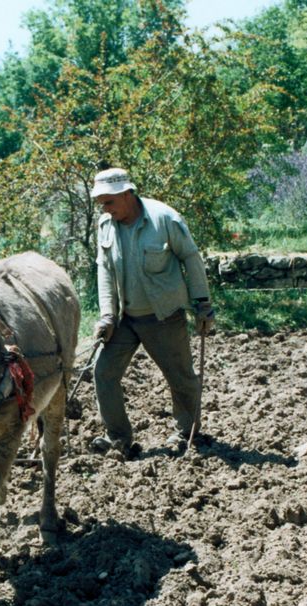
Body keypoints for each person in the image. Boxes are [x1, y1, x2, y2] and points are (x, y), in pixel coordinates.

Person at [88, 166, 215, 458]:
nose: (105, 209)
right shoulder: (106, 225)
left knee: (180, 377)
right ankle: (118, 438)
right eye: (101, 204)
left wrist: (202, 304)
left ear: (127, 194)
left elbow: (191, 258)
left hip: (163, 316)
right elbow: (104, 271)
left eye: (109, 202)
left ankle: (187, 433)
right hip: (124, 319)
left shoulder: (165, 219)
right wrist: (107, 315)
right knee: (103, 373)